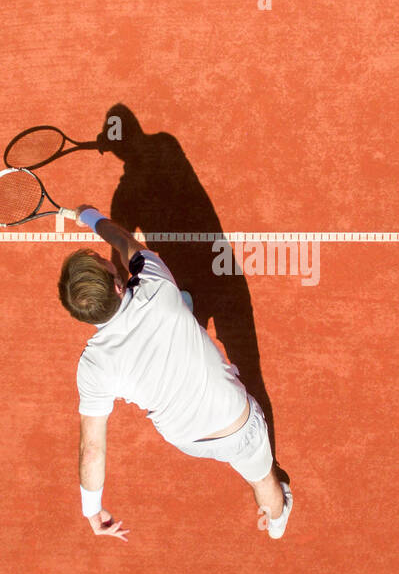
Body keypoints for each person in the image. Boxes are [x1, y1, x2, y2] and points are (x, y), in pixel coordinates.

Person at [58, 205, 292, 541]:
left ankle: (184, 315)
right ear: (118, 286)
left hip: (184, 438)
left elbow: (92, 447)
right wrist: (90, 216)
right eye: (106, 265)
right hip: (236, 425)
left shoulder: (92, 366)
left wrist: (91, 510)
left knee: (178, 308)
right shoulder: (154, 282)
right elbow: (123, 241)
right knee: (264, 479)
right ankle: (278, 519)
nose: (111, 261)